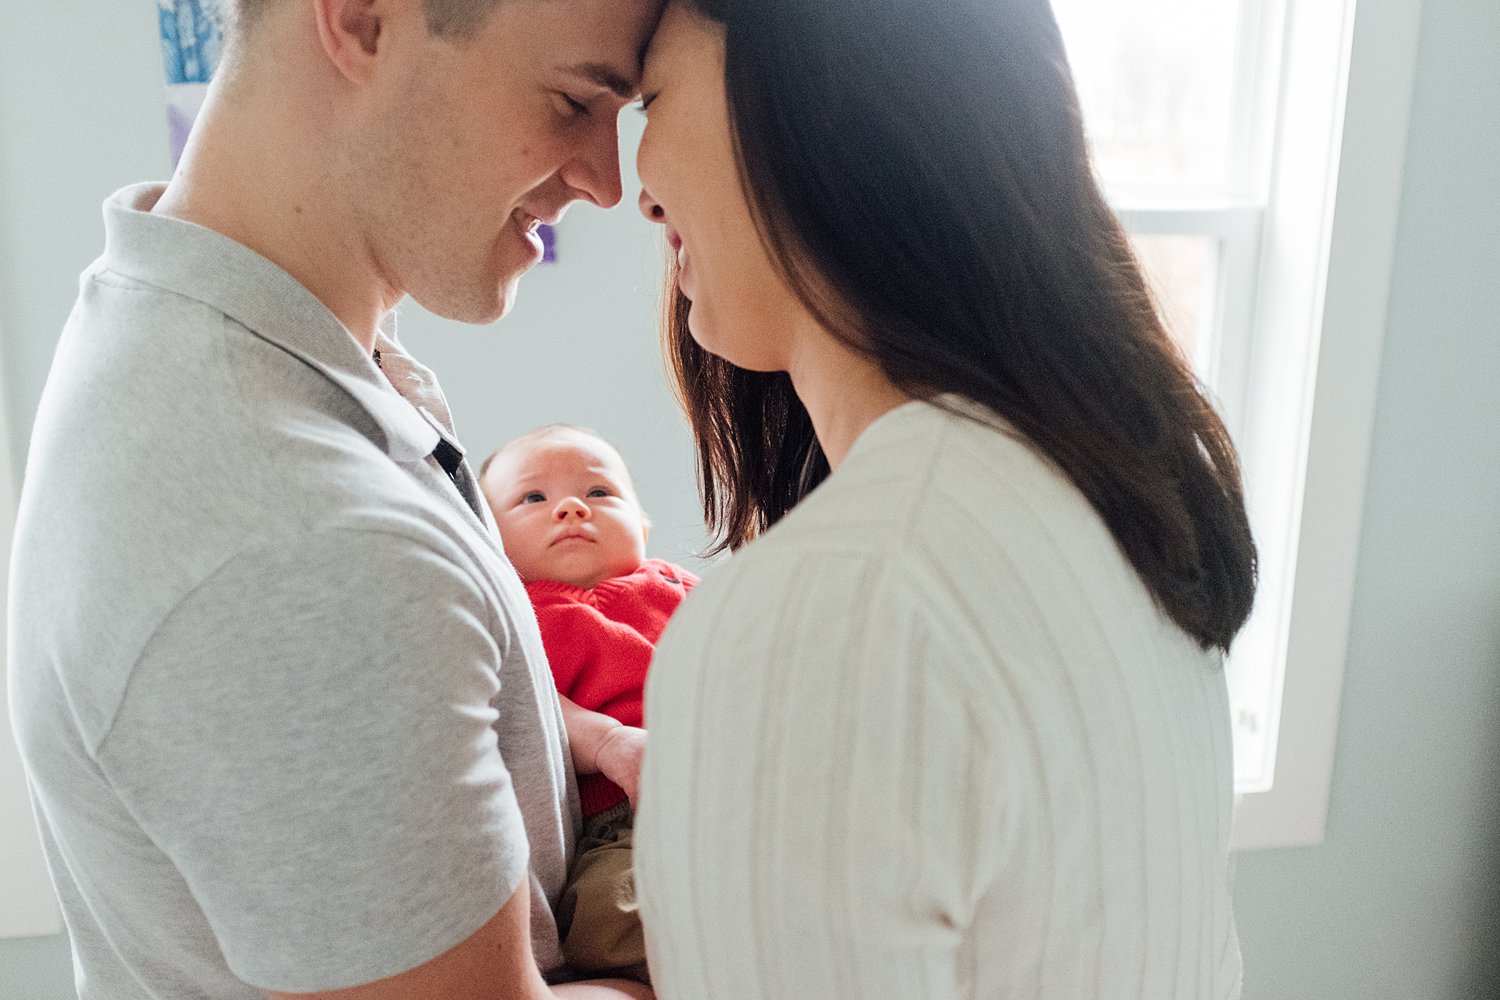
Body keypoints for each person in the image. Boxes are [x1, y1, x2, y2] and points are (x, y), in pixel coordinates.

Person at [6, 0, 662, 997]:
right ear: (360, 18)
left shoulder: (189, 321)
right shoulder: (297, 541)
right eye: (575, 99)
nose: (606, 182)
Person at [630, 1, 1258, 998]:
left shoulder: (836, 604)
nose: (637, 190)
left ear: (809, 93)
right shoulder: (1123, 487)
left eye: (650, 97)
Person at [480, 424, 700, 984]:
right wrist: (607, 743)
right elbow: (528, 703)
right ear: (486, 544)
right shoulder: (515, 618)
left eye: (601, 493)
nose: (572, 508)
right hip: (622, 819)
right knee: (605, 921)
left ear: (643, 527)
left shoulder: (680, 587)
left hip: (727, 782)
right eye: (534, 498)